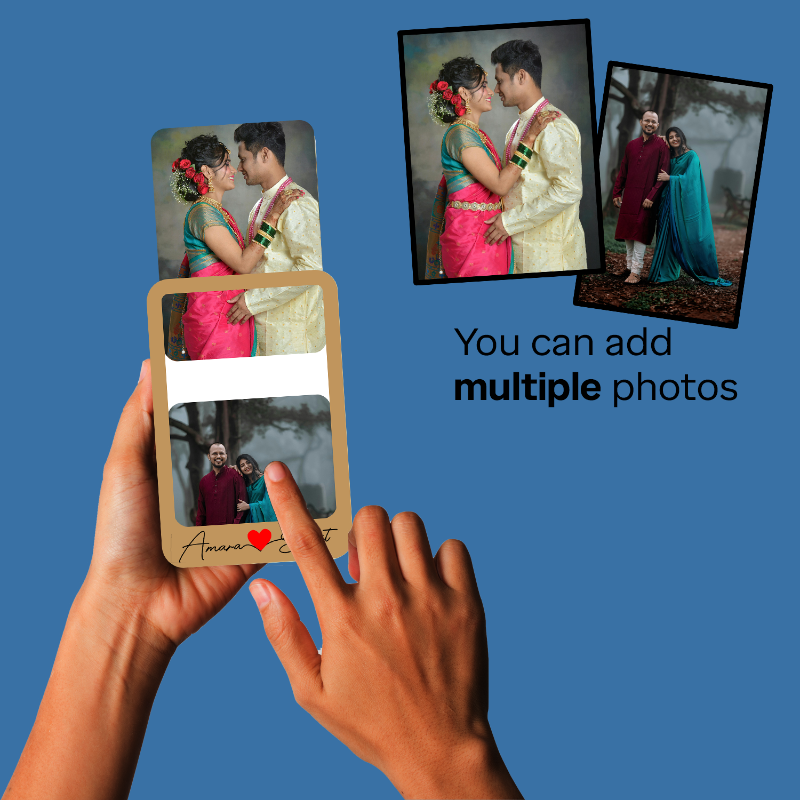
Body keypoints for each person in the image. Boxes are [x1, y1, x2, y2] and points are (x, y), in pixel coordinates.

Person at [4, 361, 522, 800]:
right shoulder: (211, 483)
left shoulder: (244, 480)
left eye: (233, 457)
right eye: (223, 456)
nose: (228, 460)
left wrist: (448, 755)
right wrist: (449, 754)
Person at [166, 134, 301, 361]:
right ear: (208, 172)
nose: (234, 170)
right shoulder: (202, 212)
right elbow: (243, 264)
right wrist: (274, 215)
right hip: (215, 320)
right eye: (226, 163)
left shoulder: (216, 211)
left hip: (229, 314)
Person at [426, 56, 554, 280]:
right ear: (464, 93)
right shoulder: (460, 134)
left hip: (487, 232)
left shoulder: (474, 133)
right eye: (483, 85)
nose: (491, 91)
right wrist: (530, 137)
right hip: (471, 236)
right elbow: (501, 185)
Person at [483, 39, 587, 274]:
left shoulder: (555, 124)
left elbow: (569, 189)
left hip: (548, 257)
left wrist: (509, 222)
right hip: (519, 250)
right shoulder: (517, 127)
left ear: (521, 76)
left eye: (499, 81)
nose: (496, 90)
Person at [225, 122, 325, 357]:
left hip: (292, 338)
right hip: (263, 332)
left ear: (265, 154)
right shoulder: (260, 205)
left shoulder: (298, 203)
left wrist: (252, 302)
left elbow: (312, 269)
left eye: (243, 159)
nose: (239, 168)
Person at [648, 127, 732, 287]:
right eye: (670, 137)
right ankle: (666, 273)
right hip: (666, 202)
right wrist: (661, 138)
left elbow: (691, 180)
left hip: (679, 204)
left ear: (682, 137)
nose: (674, 139)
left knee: (682, 237)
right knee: (664, 238)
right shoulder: (670, 155)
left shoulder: (691, 156)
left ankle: (702, 269)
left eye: (676, 136)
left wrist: (670, 178)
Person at [611, 110, 671, 283]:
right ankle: (629, 267)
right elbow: (623, 170)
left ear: (658, 125)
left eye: (653, 122)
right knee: (629, 232)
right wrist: (616, 191)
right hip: (629, 195)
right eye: (647, 121)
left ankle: (636, 272)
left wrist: (651, 196)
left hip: (647, 199)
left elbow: (663, 174)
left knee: (640, 232)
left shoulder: (662, 146)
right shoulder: (631, 145)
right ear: (640, 122)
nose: (650, 124)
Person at [196, 442, 249, 526]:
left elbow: (242, 507)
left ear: (226, 456)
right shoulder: (204, 481)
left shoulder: (236, 476)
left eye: (221, 453)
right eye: (214, 453)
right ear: (209, 456)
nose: (218, 456)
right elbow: (201, 513)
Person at [235, 453, 277, 523]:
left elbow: (270, 502)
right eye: (242, 466)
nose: (246, 466)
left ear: (253, 462)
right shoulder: (243, 484)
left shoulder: (265, 479)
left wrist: (249, 506)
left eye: (248, 463)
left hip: (264, 520)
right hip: (249, 520)